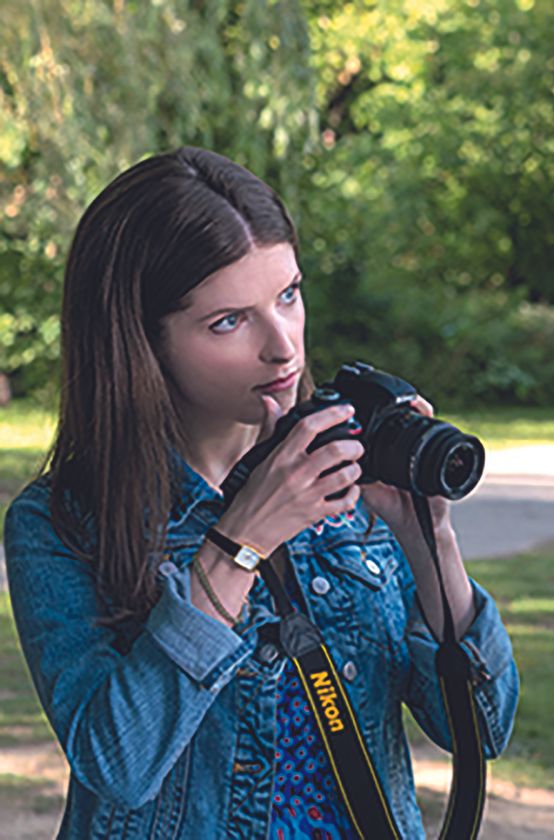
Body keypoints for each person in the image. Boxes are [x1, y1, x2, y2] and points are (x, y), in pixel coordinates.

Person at [2, 147, 519, 838]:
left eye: (288, 295)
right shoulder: (63, 522)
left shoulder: (350, 485)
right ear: (142, 343)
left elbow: (483, 730)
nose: (284, 348)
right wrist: (240, 543)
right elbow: (119, 764)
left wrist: (431, 539)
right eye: (228, 321)